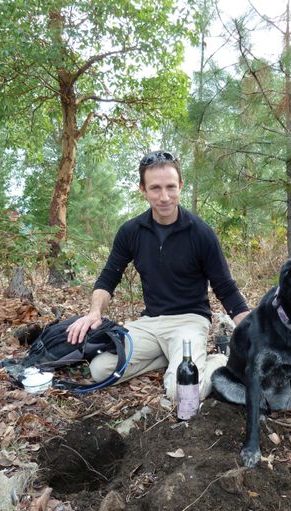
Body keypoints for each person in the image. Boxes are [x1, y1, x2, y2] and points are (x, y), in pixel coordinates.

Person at [67, 150, 249, 400]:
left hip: (189, 321)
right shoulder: (131, 231)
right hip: (150, 323)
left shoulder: (200, 233)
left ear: (181, 186)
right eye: (155, 188)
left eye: (171, 187)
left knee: (181, 393)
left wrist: (254, 331)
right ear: (143, 189)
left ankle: (218, 359)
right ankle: (170, 355)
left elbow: (226, 289)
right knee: (101, 370)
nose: (164, 197)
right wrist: (94, 312)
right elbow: (109, 277)